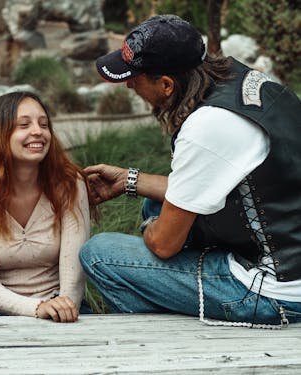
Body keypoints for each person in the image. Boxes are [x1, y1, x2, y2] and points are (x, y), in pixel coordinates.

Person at [79, 14, 301, 328]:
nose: (129, 85)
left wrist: (151, 228)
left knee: (99, 254)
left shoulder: (206, 126)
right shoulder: (244, 82)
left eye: (135, 77)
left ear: (167, 84)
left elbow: (163, 244)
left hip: (274, 291)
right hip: (290, 257)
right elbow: (209, 181)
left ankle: (161, 339)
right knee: (153, 202)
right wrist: (130, 180)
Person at [0, 91, 93, 322]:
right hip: (1, 313)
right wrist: (38, 308)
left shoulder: (70, 184)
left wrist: (62, 310)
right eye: (24, 124)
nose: (38, 131)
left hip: (65, 307)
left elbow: (74, 278)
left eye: (44, 124)